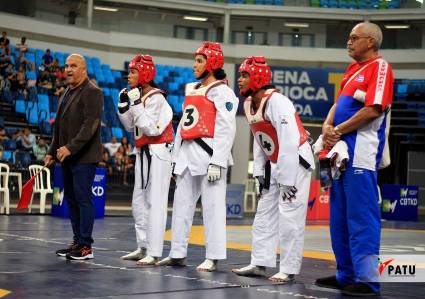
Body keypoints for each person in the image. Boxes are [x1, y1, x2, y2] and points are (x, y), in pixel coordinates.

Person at [315, 22, 393, 297]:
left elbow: (373, 109)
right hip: (339, 156)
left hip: (360, 156)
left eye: (354, 38)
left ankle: (368, 280)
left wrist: (337, 130)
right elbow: (338, 105)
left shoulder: (380, 67)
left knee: (361, 219)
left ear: (370, 42)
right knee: (339, 220)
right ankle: (345, 274)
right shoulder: (351, 71)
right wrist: (326, 126)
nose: (348, 42)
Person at [231, 56, 314, 282]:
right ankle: (259, 263)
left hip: (295, 161)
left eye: (245, 75)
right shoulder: (249, 104)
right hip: (274, 161)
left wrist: (287, 180)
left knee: (290, 215)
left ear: (258, 77)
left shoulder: (278, 102)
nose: (240, 80)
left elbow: (288, 140)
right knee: (264, 213)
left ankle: (288, 269)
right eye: (240, 75)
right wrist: (259, 174)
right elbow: (260, 138)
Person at [157, 42, 238, 272]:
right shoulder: (192, 90)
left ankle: (213, 256)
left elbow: (226, 128)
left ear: (211, 64)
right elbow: (183, 125)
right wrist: (175, 158)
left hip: (209, 154)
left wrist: (218, 161)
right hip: (186, 155)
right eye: (195, 60)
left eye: (200, 60)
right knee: (181, 206)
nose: (195, 64)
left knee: (213, 208)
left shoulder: (223, 92)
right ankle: (177, 253)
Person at [44, 54, 103, 260]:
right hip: (67, 157)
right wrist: (52, 152)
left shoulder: (93, 92)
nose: (68, 69)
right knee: (71, 198)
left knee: (83, 199)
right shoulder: (67, 92)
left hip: (84, 157)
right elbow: (59, 127)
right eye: (67, 66)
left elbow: (90, 126)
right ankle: (77, 241)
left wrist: (69, 148)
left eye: (73, 66)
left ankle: (86, 246)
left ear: (84, 69)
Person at [118, 54, 174, 265]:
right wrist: (124, 107)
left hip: (159, 152)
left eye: (133, 72)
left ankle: (155, 250)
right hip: (143, 152)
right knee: (138, 203)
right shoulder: (139, 96)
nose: (128, 76)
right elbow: (131, 127)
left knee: (155, 202)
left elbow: (150, 128)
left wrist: (135, 103)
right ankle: (143, 246)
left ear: (145, 74)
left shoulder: (157, 98)